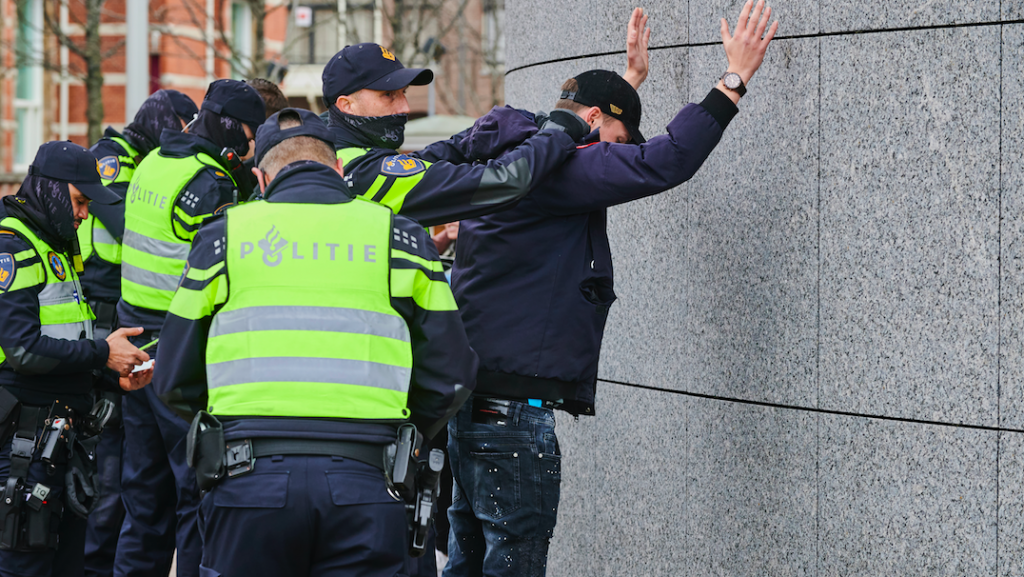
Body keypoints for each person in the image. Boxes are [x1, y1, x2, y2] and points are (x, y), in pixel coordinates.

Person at [444, 3, 779, 576]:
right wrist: (734, 79)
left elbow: (595, 129)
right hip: (512, 422)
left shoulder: (511, 155)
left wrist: (630, 83)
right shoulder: (558, 169)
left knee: (466, 565)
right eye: (616, 140)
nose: (617, 157)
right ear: (593, 124)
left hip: (472, 408)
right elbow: (665, 160)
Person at [152, 108, 477, 577]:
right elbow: (452, 372)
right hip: (370, 483)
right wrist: (405, 434)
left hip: (248, 483)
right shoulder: (401, 239)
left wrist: (231, 426)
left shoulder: (222, 240)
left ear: (262, 181)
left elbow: (173, 376)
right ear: (340, 169)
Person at [114, 79, 265, 577]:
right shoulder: (209, 182)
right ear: (228, 126)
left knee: (143, 498)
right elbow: (230, 265)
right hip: (176, 350)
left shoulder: (155, 161)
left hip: (133, 344)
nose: (249, 144)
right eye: (249, 132)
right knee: (194, 494)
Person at [0, 141, 152, 577]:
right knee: (24, 564)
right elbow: (24, 349)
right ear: (49, 190)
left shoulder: (59, 246)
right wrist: (104, 352)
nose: (85, 214)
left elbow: (67, 339)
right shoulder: (13, 247)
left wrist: (111, 374)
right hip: (22, 443)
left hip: (60, 440)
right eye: (80, 201)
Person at [80, 89, 198, 577]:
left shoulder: (148, 160)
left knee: (135, 470)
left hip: (128, 313)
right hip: (107, 309)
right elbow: (125, 221)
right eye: (182, 127)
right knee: (113, 463)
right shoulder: (114, 158)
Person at [322, 42, 597, 228]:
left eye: (403, 94)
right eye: (388, 96)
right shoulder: (365, 172)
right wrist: (559, 131)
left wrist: (471, 140)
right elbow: (503, 182)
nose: (404, 107)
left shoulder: (333, 155)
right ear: (347, 104)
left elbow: (420, 163)